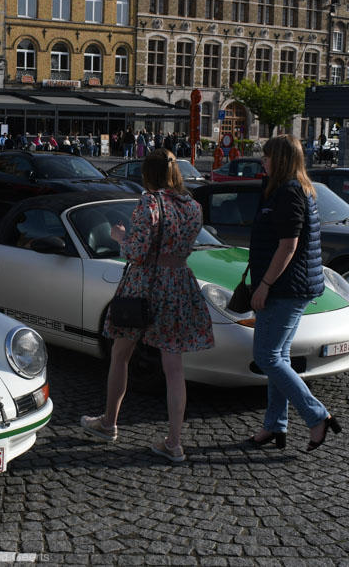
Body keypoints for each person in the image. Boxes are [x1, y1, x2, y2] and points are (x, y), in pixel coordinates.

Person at [79, 149, 214, 462]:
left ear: (148, 173)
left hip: (146, 284)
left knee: (120, 354)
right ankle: (175, 442)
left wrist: (118, 237)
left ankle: (109, 424)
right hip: (179, 283)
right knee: (174, 367)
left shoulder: (149, 202)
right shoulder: (193, 205)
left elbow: (136, 252)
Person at [248, 135, 340, 452]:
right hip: (290, 285)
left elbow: (288, 246)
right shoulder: (284, 189)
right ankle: (275, 426)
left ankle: (317, 416)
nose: (263, 161)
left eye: (268, 157)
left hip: (285, 288)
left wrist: (264, 285)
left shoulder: (289, 193)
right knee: (280, 357)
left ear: (282, 160)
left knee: (267, 357)